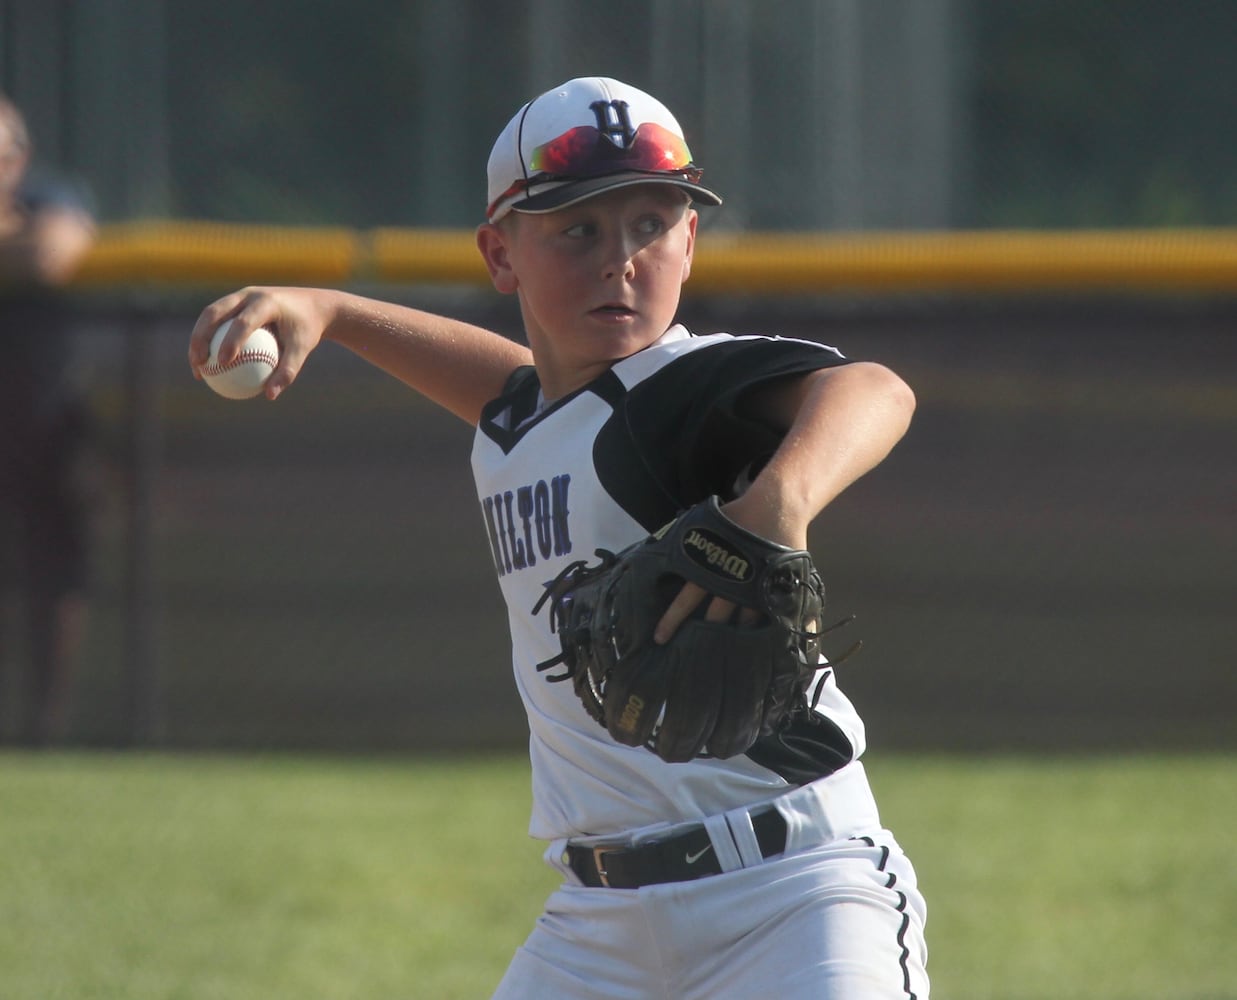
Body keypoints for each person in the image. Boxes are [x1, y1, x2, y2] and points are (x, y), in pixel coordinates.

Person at [189, 77, 929, 998]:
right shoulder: (534, 418)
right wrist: (335, 313)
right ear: (500, 254)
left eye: (652, 223)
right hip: (598, 921)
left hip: (793, 893)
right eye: (576, 229)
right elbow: (524, 397)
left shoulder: (683, 386)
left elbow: (874, 389)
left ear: (689, 242)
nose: (619, 258)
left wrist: (775, 503)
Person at [0, 93, 98, 746]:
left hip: (40, 417)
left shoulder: (50, 196)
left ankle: (47, 726)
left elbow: (51, 255)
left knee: (54, 573)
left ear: (20, 156)